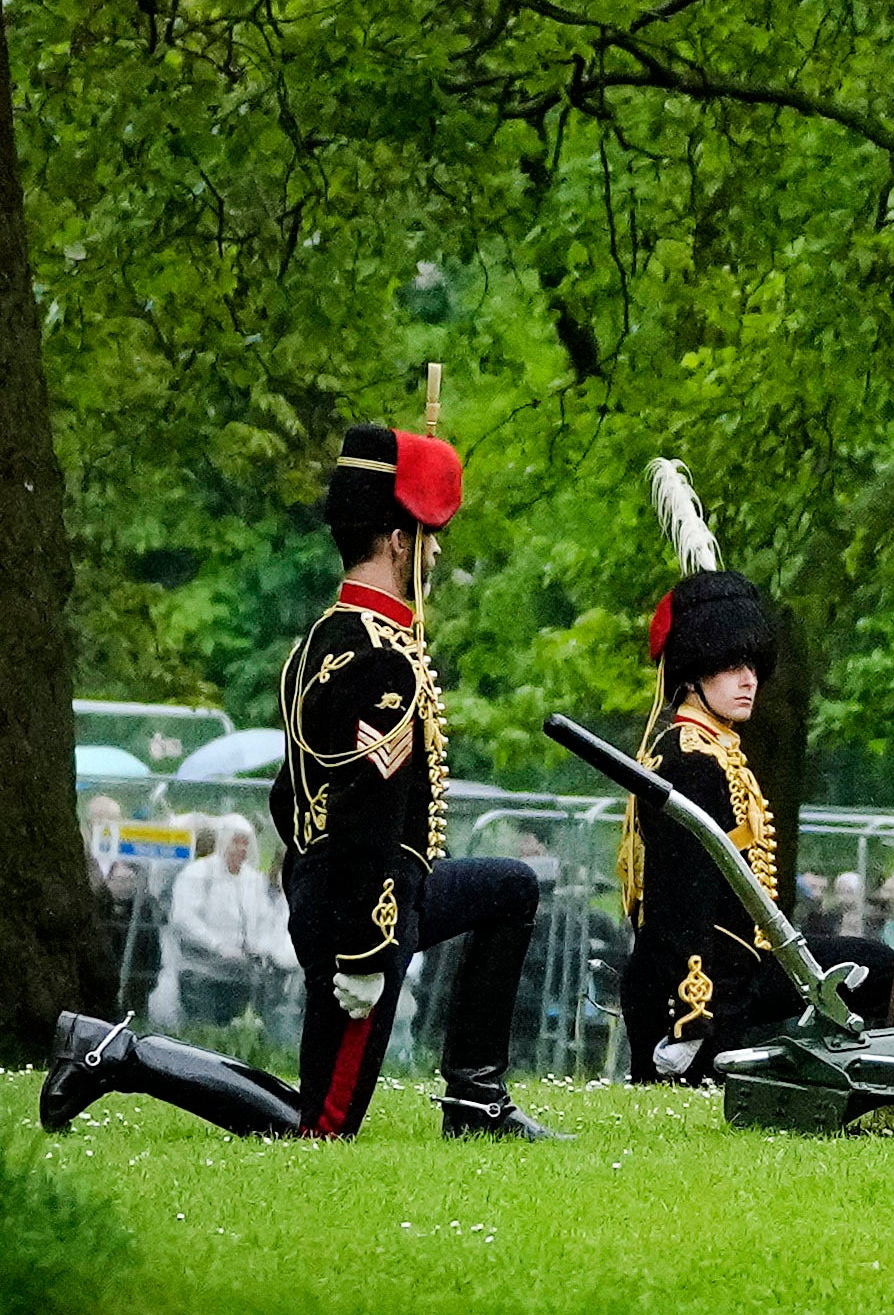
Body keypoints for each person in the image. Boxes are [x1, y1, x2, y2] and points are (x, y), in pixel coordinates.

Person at [49, 426, 549, 1139]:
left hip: (362, 892)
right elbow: (366, 820)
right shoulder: (382, 662)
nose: (436, 551)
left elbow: (290, 798)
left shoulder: (320, 641)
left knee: (510, 888)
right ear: (398, 541)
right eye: (428, 535)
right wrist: (365, 951)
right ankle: (117, 1053)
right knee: (320, 1128)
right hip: (363, 910)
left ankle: (476, 1098)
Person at [617, 558, 806, 1078]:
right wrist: (690, 1014)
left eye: (753, 667)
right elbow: (682, 899)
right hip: (699, 987)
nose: (750, 681)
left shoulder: (714, 750)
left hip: (739, 965)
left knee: (873, 969)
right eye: (732, 667)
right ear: (695, 673)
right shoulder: (690, 761)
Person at [160, 820, 291, 1036]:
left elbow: (264, 920)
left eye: (246, 844)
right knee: (203, 1030)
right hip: (200, 968)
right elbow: (184, 919)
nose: (241, 849)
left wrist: (263, 949)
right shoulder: (197, 873)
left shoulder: (253, 880)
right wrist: (218, 945)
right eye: (236, 842)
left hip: (243, 971)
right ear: (222, 842)